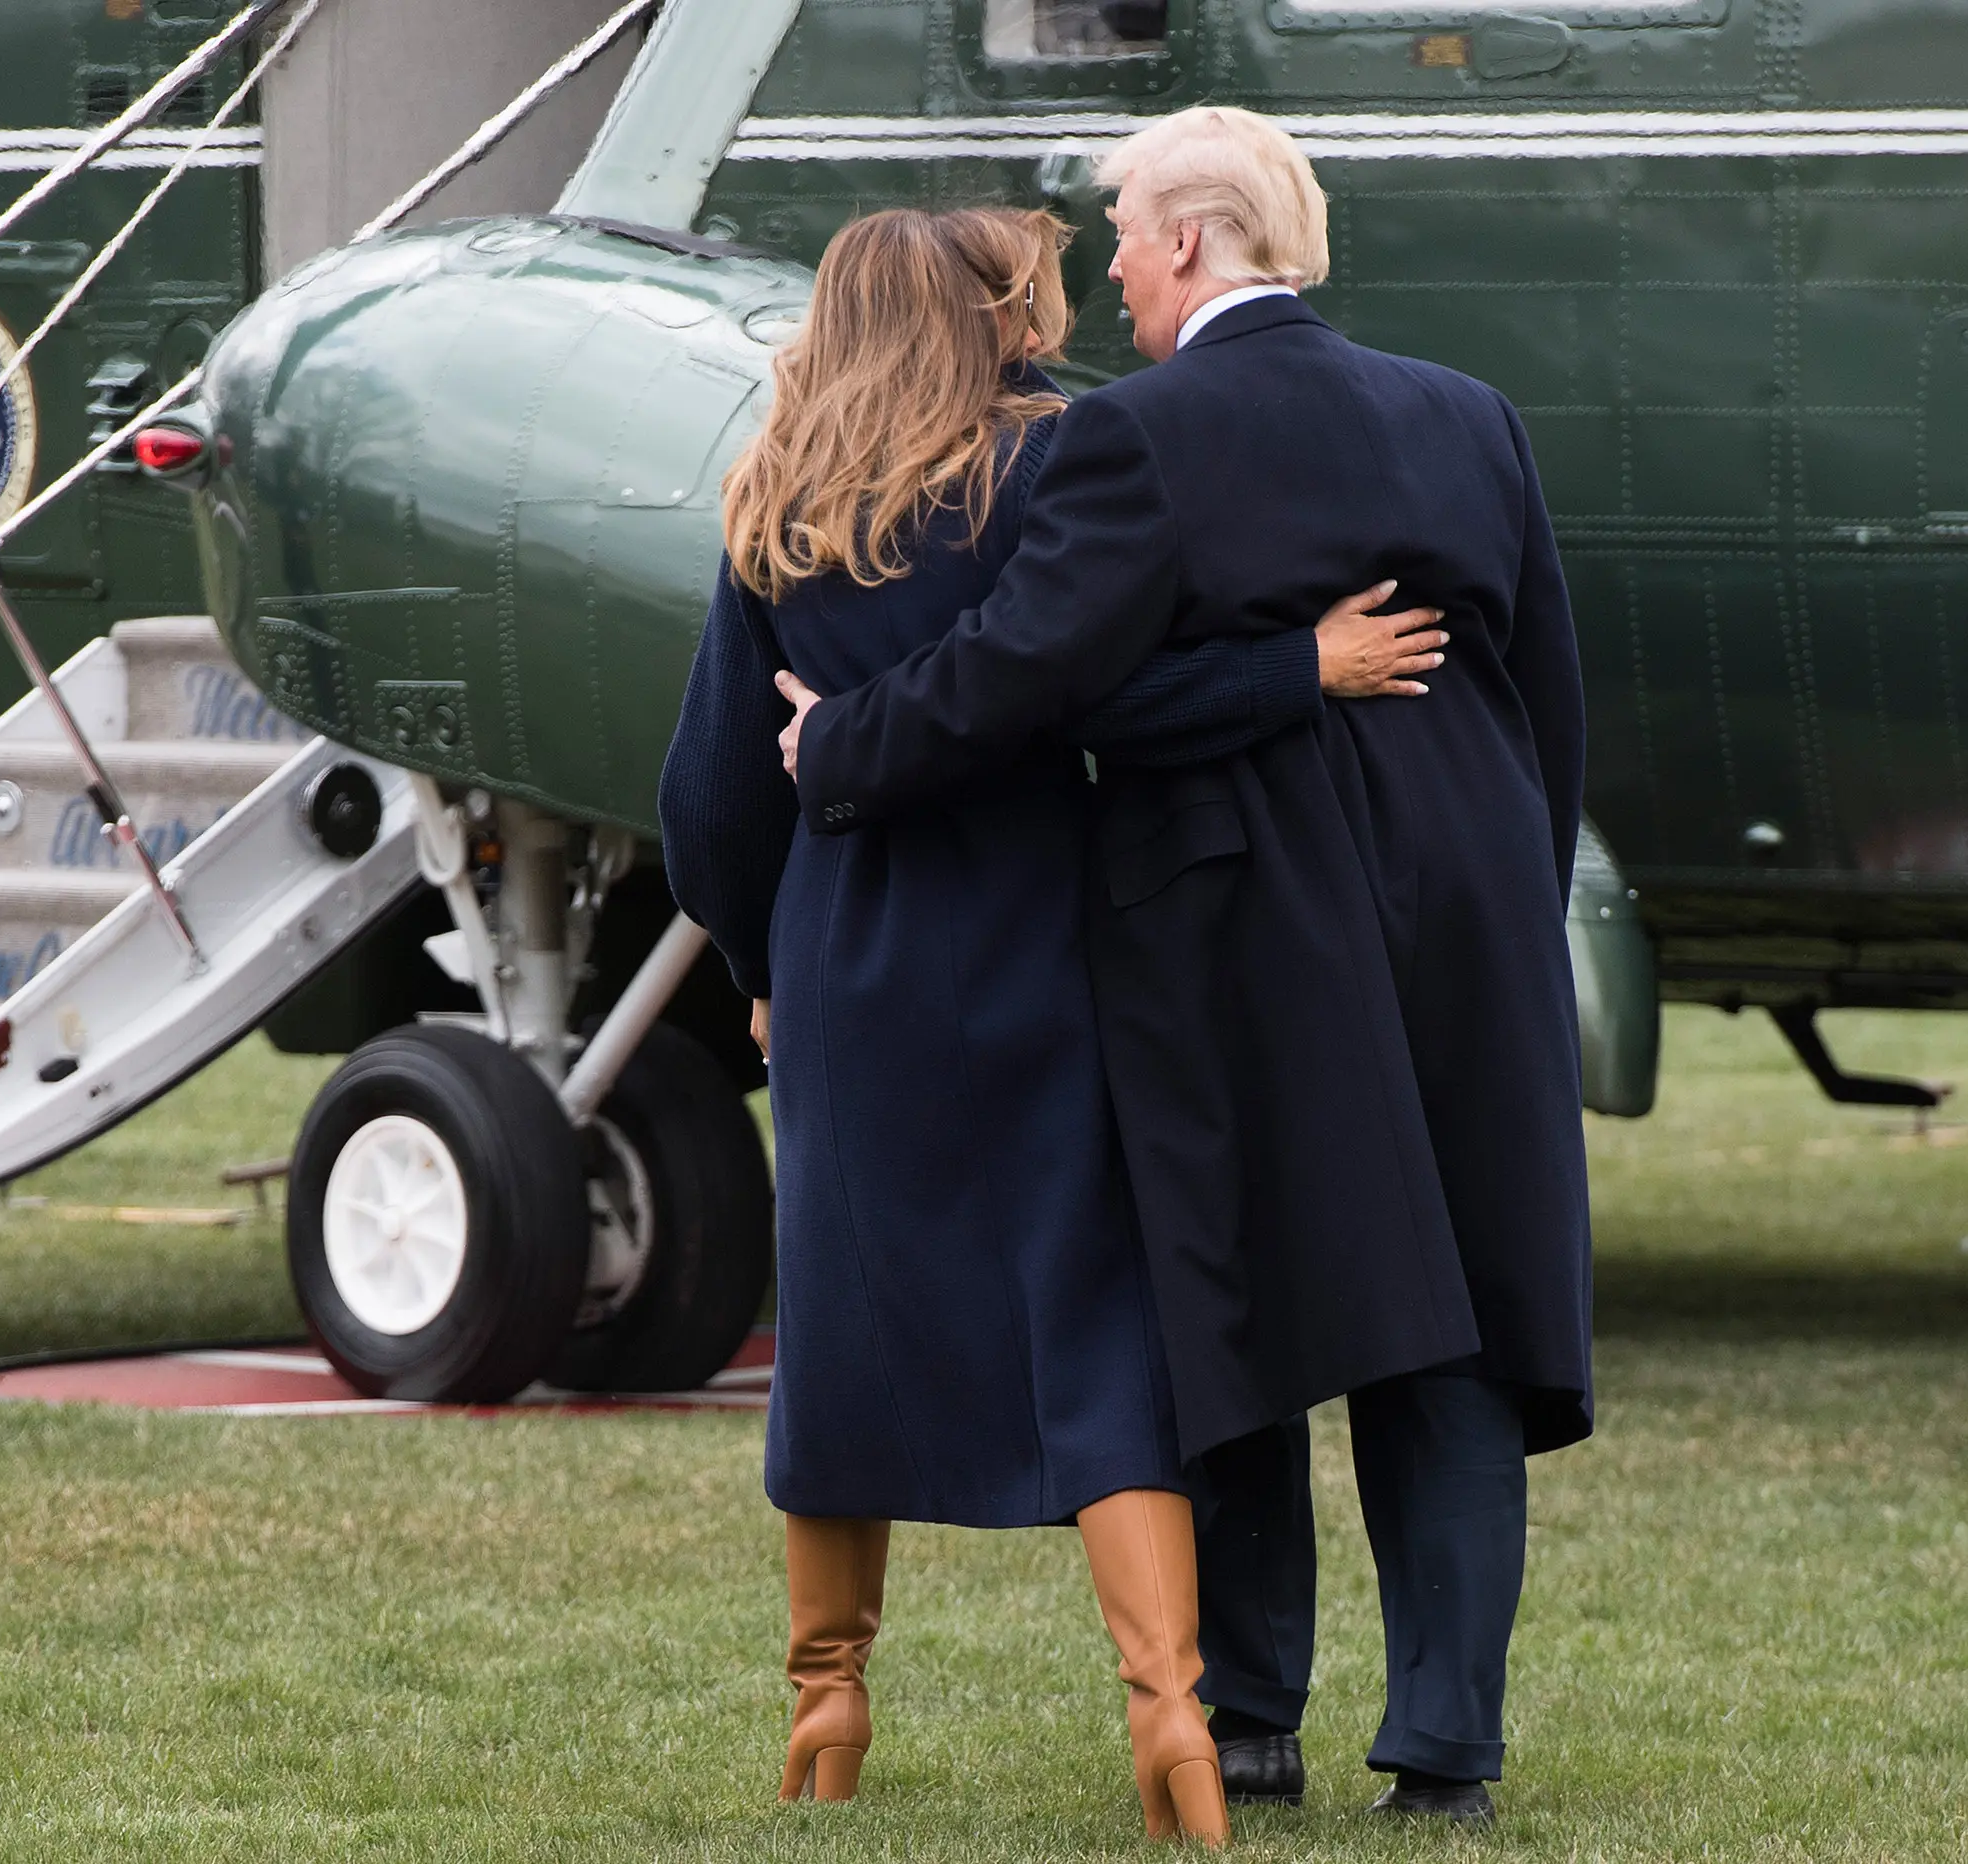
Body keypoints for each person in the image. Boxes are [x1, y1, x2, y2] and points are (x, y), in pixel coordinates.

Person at [781, 109, 1593, 1826]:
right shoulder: (1473, 420)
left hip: (1241, 914)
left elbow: (1031, 684)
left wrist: (843, 744)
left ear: (1201, 240)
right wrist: (1501, 887)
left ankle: (1254, 1720)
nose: (1116, 270)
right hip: (1474, 914)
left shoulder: (1133, 442)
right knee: (1452, 1322)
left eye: (1130, 235)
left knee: (1227, 1302)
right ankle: (1447, 1746)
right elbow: (1545, 702)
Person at [659, 206, 1442, 1845]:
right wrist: (1292, 669)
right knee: (1097, 1332)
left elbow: (709, 798)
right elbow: (1109, 700)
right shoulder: (1058, 465)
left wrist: (760, 956)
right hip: (1036, 945)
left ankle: (828, 1700)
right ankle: (1169, 1714)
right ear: (976, 315)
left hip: (848, 960)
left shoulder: (780, 495)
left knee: (844, 1337)